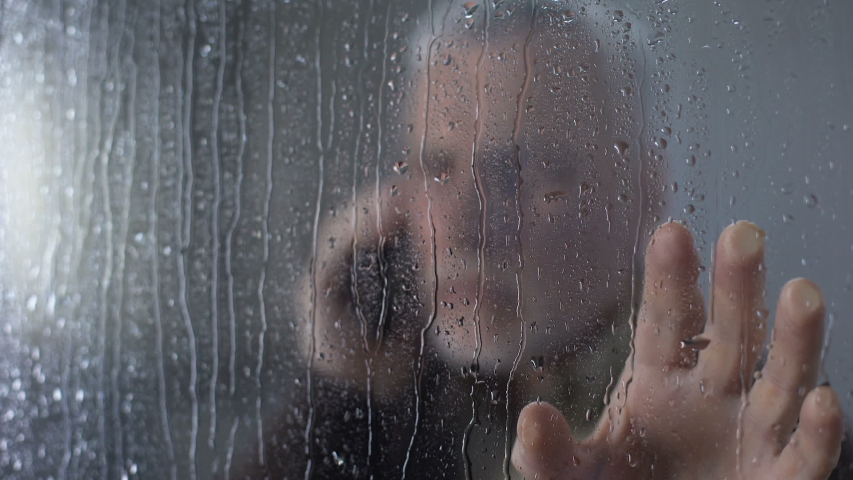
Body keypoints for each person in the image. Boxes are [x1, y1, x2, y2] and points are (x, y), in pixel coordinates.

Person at [283, 1, 848, 478]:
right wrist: (342, 386)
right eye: (436, 168)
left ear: (644, 195)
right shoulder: (398, 386)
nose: (460, 225)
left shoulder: (734, 410)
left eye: (523, 174)